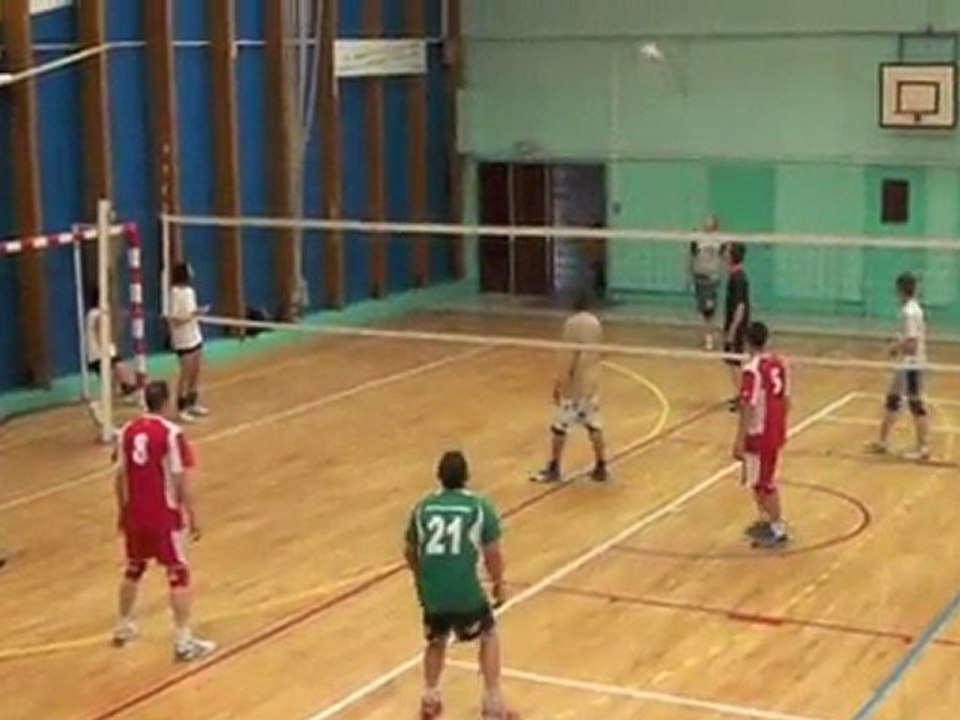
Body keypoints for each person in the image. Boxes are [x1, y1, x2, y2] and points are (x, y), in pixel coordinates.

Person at [404, 451, 517, 720]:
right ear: (466, 476)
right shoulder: (478, 507)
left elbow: (409, 550)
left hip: (433, 593)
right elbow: (492, 554)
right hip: (465, 591)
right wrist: (499, 584)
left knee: (436, 640)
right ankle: (493, 703)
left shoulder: (422, 507)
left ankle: (430, 697)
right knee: (488, 634)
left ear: (439, 476)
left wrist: (421, 577)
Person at [112, 380, 216, 662]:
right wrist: (192, 516)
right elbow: (181, 479)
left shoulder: (126, 432)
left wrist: (122, 511)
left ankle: (123, 626)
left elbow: (119, 476)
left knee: (134, 568)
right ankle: (183, 641)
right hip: (164, 517)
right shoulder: (172, 434)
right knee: (178, 573)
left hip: (135, 514)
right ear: (167, 402)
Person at [530, 290, 607, 483]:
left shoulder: (572, 324)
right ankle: (601, 466)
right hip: (591, 384)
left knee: (559, 427)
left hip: (575, 386)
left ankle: (554, 468)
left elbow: (569, 356)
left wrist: (560, 383)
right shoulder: (596, 324)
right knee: (594, 425)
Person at [732, 321, 790, 548]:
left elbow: (748, 406)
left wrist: (739, 439)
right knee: (758, 480)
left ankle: (777, 529)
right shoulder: (779, 364)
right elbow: (786, 399)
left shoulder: (752, 370)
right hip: (773, 430)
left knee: (765, 483)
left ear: (747, 342)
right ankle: (767, 522)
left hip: (759, 433)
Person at [866, 272, 930, 461]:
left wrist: (895, 347)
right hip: (905, 365)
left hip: (912, 365)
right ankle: (882, 442)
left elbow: (912, 345)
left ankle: (923, 447)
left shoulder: (910, 312)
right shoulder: (912, 309)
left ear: (900, 290)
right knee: (892, 400)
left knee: (915, 403)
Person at [168, 262, 210, 423]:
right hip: (182, 339)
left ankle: (192, 403)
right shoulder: (175, 293)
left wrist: (197, 312)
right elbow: (175, 319)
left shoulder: (190, 292)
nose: (193, 271)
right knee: (185, 374)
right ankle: (181, 408)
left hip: (195, 335)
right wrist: (192, 315)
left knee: (195, 372)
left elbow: (190, 312)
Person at [85, 287, 139, 404]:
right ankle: (129, 388)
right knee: (119, 369)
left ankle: (122, 393)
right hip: (100, 354)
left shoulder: (93, 314)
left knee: (112, 379)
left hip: (98, 354)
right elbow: (99, 332)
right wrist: (105, 351)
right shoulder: (97, 314)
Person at [688, 215, 724, 350]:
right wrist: (688, 275)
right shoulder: (698, 239)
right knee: (703, 310)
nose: (706, 222)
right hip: (699, 277)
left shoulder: (719, 241)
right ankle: (708, 335)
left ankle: (709, 338)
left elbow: (724, 257)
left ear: (715, 224)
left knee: (710, 310)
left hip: (712, 278)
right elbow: (691, 257)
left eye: (709, 220)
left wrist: (722, 275)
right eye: (705, 220)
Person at [723, 242, 750, 411]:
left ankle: (743, 397)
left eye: (726, 252)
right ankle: (740, 393)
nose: (724, 254)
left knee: (735, 363)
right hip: (736, 324)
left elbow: (740, 307)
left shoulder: (738, 278)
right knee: (733, 363)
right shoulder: (735, 275)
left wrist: (732, 331)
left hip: (738, 326)